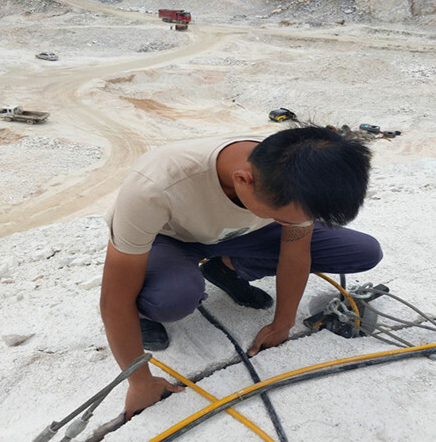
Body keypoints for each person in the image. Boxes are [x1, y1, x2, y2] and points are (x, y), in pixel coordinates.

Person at [100, 126, 383, 419]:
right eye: (281, 217)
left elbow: (296, 251)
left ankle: (226, 269)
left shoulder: (296, 176)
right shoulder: (154, 187)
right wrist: (139, 382)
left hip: (237, 233)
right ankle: (146, 312)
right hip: (172, 238)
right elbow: (113, 299)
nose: (296, 223)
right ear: (242, 180)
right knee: (172, 298)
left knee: (362, 251)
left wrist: (282, 322)